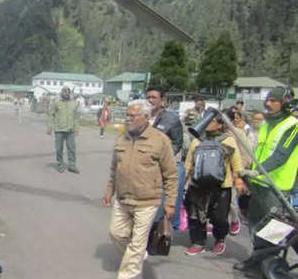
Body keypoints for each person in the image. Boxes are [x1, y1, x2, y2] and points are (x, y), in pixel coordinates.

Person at [101, 100, 177, 279]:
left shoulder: (160, 141)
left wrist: (170, 202)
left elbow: (171, 174)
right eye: (127, 115)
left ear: (146, 117)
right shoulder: (122, 138)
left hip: (147, 201)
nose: (127, 119)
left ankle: (128, 274)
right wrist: (109, 190)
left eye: (132, 116)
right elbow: (114, 168)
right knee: (116, 233)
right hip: (123, 199)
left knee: (137, 242)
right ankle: (137, 254)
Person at [234, 87, 298, 272]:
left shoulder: (293, 126)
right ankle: (258, 260)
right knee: (255, 226)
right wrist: (249, 175)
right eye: (267, 100)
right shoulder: (267, 125)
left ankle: (268, 264)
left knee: (275, 229)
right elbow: (258, 154)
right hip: (260, 184)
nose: (268, 104)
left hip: (277, 186)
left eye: (273, 100)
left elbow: (280, 156)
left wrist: (258, 172)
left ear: (285, 103)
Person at [184, 110, 246, 256]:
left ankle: (220, 239)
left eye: (211, 121)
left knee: (219, 217)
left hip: (221, 187)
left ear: (220, 125)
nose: (206, 123)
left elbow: (236, 164)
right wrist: (182, 183)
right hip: (198, 186)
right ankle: (198, 242)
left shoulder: (228, 140)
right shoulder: (197, 140)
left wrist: (238, 181)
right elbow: (188, 163)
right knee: (196, 216)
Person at [146, 86, 183, 232]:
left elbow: (177, 144)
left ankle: (156, 234)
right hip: (143, 168)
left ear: (162, 100)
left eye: (154, 97)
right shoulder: (141, 116)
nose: (150, 100)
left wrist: (163, 159)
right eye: (148, 97)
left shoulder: (171, 119)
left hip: (160, 168)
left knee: (158, 205)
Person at [47, 86, 80, 173]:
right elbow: (51, 114)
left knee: (72, 148)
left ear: (70, 93)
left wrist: (76, 128)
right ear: (61, 92)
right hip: (59, 130)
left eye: (68, 91)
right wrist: (50, 126)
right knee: (59, 148)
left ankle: (72, 165)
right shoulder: (56, 102)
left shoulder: (73, 103)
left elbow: (76, 116)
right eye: (64, 91)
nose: (66, 93)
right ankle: (60, 164)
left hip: (70, 130)